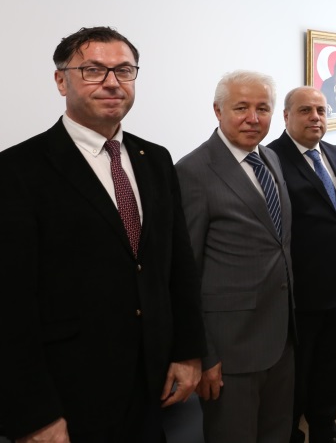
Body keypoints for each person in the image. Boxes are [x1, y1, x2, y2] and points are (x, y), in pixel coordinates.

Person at [0, 26, 205, 442]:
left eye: (124, 70)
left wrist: (188, 353)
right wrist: (34, 414)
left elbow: (178, 266)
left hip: (153, 381)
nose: (112, 82)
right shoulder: (17, 170)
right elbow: (10, 303)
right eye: (93, 70)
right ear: (61, 81)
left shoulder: (155, 159)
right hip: (70, 392)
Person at [175, 70, 294, 442]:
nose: (253, 118)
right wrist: (204, 355)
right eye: (241, 108)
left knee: (277, 434)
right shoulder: (193, 171)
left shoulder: (270, 158)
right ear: (218, 110)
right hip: (230, 351)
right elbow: (183, 275)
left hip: (281, 338)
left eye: (263, 108)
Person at [267, 86, 336, 443]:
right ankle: (290, 433)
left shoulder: (334, 153)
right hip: (298, 289)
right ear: (286, 116)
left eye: (321, 110)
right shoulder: (271, 159)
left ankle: (325, 427)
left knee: (329, 363)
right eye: (305, 111)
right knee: (296, 371)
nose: (315, 117)